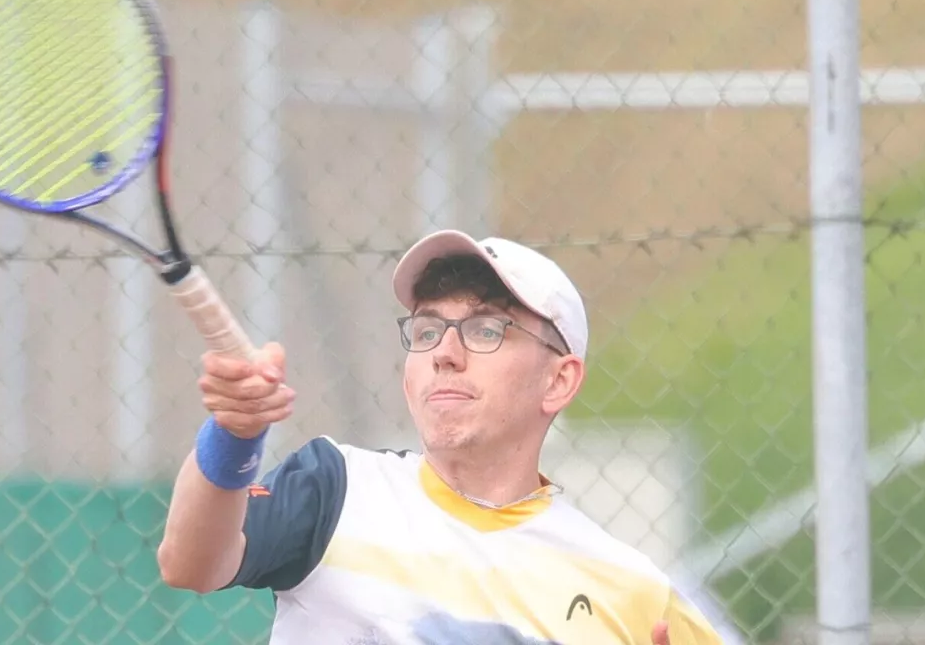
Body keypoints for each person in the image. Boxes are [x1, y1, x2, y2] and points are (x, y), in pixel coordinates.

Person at [157, 229, 725, 644]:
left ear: (559, 379)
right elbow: (189, 563)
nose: (444, 355)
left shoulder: (631, 591)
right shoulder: (337, 488)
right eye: (427, 329)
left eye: (485, 329)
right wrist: (234, 435)